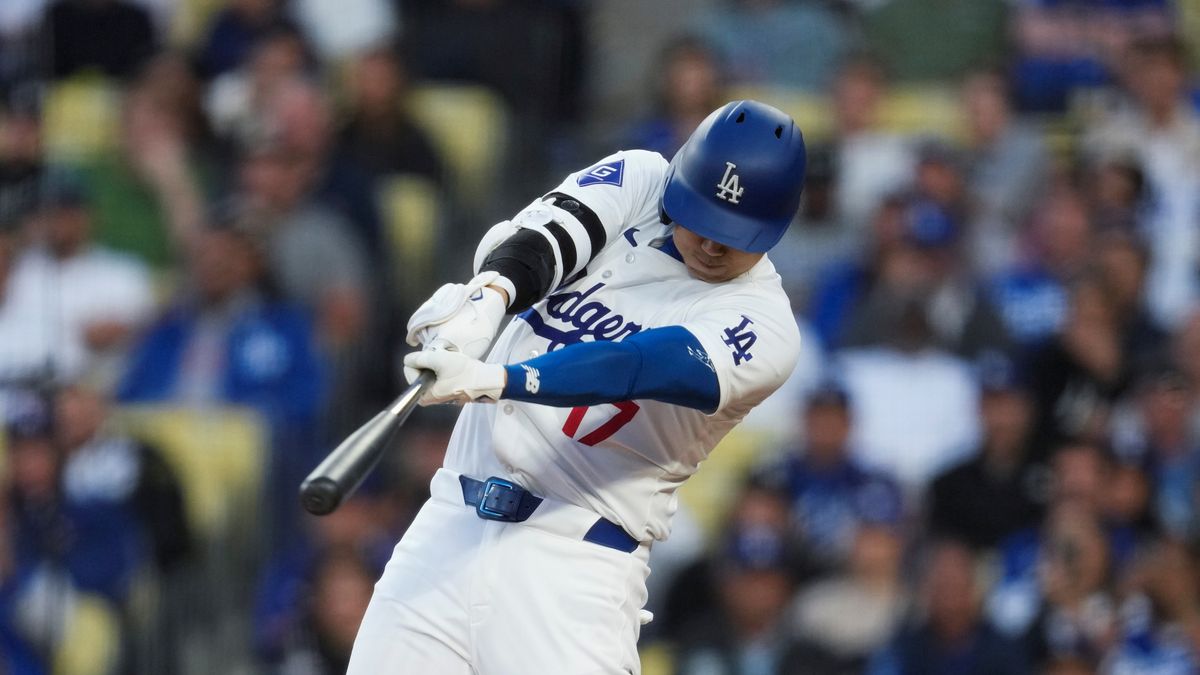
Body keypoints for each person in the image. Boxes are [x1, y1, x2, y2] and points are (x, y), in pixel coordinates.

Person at [347, 99, 808, 674]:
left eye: (733, 234)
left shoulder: (765, 325)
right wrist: (486, 301)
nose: (713, 245)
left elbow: (637, 365)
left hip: (570, 566)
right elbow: (543, 239)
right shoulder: (642, 180)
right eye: (703, 219)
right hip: (448, 525)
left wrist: (498, 379)